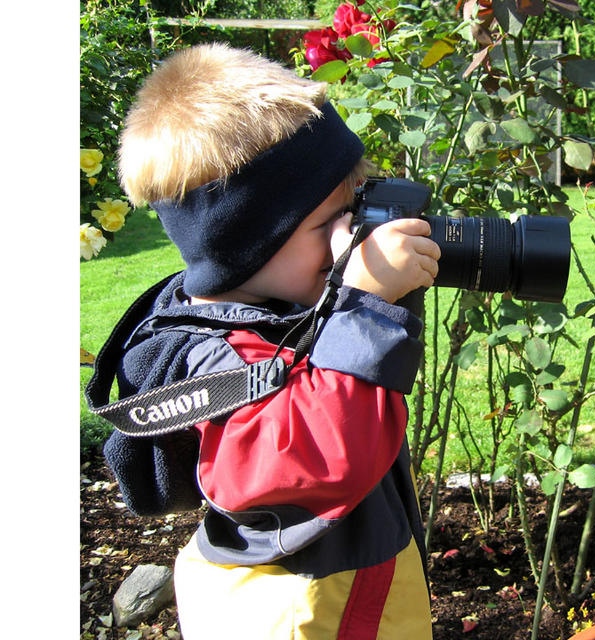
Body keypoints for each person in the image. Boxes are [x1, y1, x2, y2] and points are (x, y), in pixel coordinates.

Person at [91, 42, 440, 639]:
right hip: (299, 619)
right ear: (246, 246)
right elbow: (314, 458)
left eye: (352, 211)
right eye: (328, 222)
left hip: (356, 602)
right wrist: (364, 307)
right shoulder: (215, 357)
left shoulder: (278, 309)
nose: (349, 238)